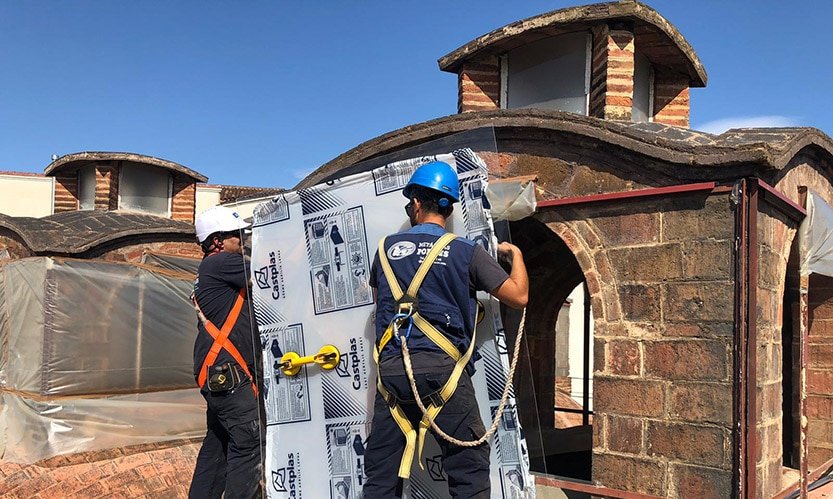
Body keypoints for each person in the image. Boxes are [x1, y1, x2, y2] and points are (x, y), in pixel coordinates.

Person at [363, 161, 529, 498]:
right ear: (449, 208)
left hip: (392, 373)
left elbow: (382, 304)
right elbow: (519, 297)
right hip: (443, 375)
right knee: (468, 471)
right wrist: (517, 255)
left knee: (381, 474)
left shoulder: (384, 250)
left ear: (416, 204)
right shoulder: (467, 252)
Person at [189, 206, 264, 499]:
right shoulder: (222, 262)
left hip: (218, 373)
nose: (242, 240)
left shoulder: (209, 268)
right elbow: (269, 272)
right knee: (248, 443)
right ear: (217, 240)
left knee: (218, 445)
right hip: (229, 373)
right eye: (237, 235)